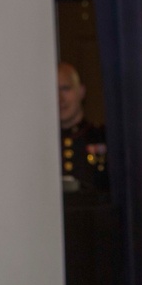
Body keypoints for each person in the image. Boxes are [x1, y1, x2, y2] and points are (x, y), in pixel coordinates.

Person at [58, 61, 109, 192]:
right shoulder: (43, 143)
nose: (60, 98)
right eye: (54, 90)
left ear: (81, 91)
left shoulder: (101, 137)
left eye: (66, 88)